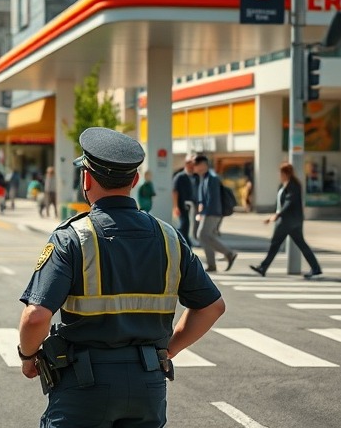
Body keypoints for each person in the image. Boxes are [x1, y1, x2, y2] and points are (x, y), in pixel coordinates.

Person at [17, 127, 225, 427]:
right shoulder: (169, 237)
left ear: (86, 178)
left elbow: (35, 317)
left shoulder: (73, 237)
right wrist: (168, 350)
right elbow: (212, 307)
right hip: (148, 386)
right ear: (135, 180)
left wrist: (27, 356)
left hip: (84, 388)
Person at [250, 163, 323, 279]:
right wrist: (275, 214)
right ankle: (316, 268)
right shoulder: (285, 185)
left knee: (275, 244)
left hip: (287, 221)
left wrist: (277, 215)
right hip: (290, 221)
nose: (280, 175)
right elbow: (281, 203)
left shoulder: (293, 185)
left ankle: (263, 267)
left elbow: (289, 203)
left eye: (282, 173)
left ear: (286, 173)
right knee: (300, 244)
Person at [193, 155, 239, 272]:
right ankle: (213, 264)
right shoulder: (205, 177)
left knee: (202, 235)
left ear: (203, 165)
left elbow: (212, 199)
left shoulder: (212, 178)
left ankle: (228, 253)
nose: (195, 167)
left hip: (212, 213)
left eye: (196, 165)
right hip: (209, 212)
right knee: (206, 237)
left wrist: (203, 212)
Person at [172, 154, 198, 247]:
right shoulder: (180, 177)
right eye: (190, 163)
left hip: (194, 206)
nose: (192, 166)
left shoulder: (196, 176)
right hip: (183, 206)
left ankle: (188, 244)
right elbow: (175, 192)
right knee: (184, 226)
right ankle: (185, 245)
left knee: (192, 226)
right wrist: (175, 207)